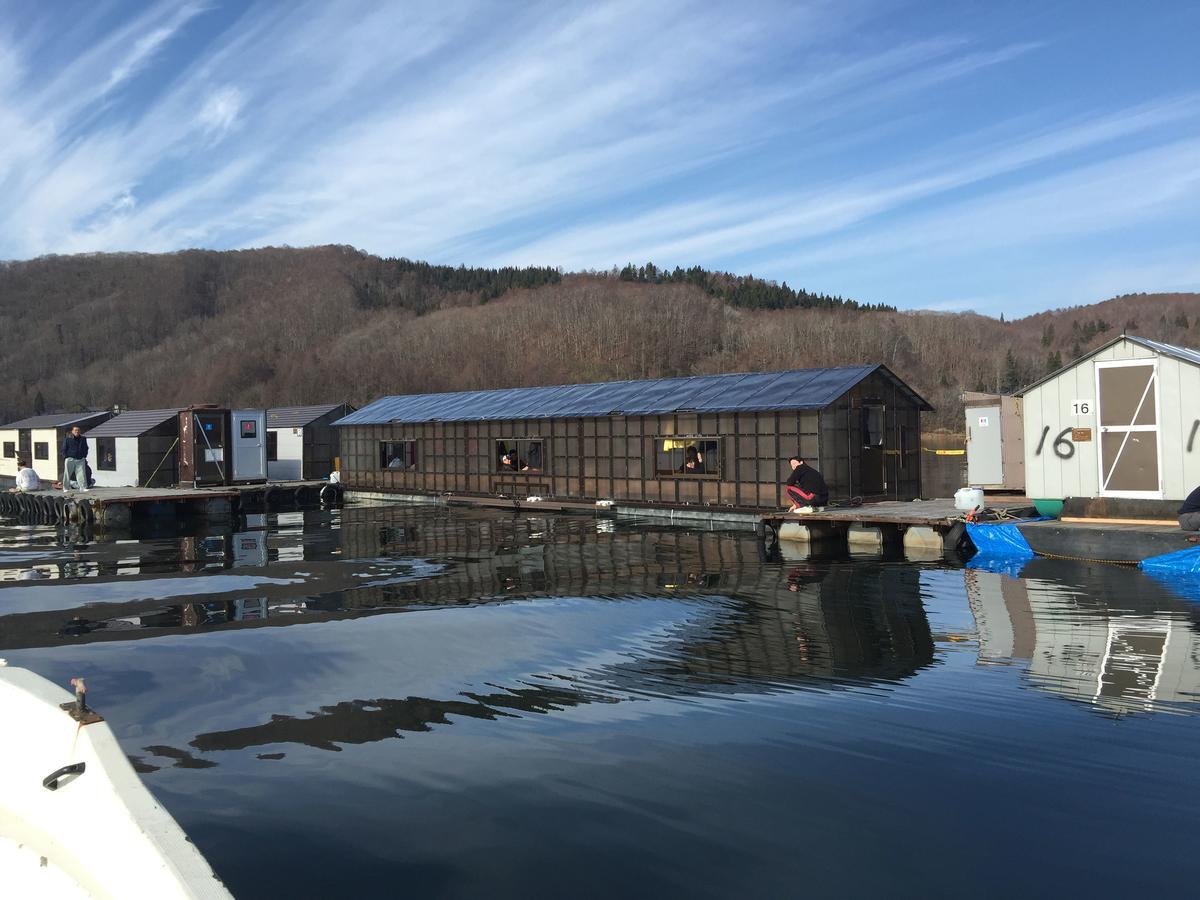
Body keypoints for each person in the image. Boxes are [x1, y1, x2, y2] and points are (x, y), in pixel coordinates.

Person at [61, 425, 89, 492]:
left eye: (78, 430)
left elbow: (86, 448)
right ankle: (66, 488)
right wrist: (65, 456)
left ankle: (83, 487)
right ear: (72, 431)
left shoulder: (83, 439)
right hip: (70, 458)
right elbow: (63, 449)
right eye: (75, 430)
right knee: (67, 474)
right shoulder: (67, 439)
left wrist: (84, 456)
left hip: (80, 459)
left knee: (82, 474)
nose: (77, 431)